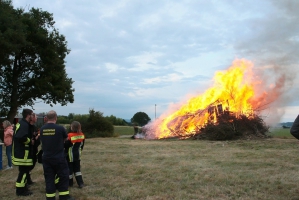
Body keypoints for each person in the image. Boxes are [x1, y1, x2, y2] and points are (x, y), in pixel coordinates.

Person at [40, 110, 74, 200]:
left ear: (46, 118)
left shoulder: (42, 129)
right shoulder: (60, 128)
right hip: (59, 157)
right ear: (56, 118)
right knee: (63, 176)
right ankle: (64, 196)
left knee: (49, 178)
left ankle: (50, 197)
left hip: (46, 157)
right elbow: (66, 139)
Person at [12, 108, 34, 196]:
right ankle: (20, 191)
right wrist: (30, 141)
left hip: (20, 153)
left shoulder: (21, 123)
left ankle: (23, 187)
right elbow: (20, 137)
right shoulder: (24, 125)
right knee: (23, 172)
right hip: (23, 154)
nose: (33, 116)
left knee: (23, 171)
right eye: (32, 115)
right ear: (28, 115)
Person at [65, 121, 85, 188]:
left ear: (72, 127)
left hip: (70, 155)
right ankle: (80, 183)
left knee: (69, 171)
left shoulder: (69, 135)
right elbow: (82, 145)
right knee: (77, 170)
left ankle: (70, 183)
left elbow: (66, 145)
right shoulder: (82, 135)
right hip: (78, 155)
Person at [28, 113, 41, 184]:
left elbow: (36, 136)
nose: (37, 118)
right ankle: (27, 180)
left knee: (33, 162)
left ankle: (28, 179)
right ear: (32, 118)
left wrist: (37, 137)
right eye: (36, 117)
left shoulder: (34, 127)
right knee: (28, 166)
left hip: (34, 148)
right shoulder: (27, 127)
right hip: (29, 149)